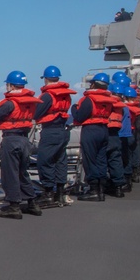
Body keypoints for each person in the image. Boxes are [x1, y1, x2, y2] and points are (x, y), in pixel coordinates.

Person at [0, 71, 43, 218]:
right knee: (22, 172)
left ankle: (14, 206)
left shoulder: (9, 103)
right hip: (25, 140)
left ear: (10, 85)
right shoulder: (31, 101)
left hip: (11, 139)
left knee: (10, 173)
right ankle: (32, 202)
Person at [34, 65, 76, 207]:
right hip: (62, 130)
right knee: (60, 161)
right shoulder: (66, 95)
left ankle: (48, 193)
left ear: (45, 79)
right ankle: (59, 192)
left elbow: (36, 113)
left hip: (50, 131)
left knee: (45, 161)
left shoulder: (47, 96)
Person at [71, 73, 115, 201]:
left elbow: (79, 116)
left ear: (94, 84)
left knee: (90, 160)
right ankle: (101, 189)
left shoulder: (89, 99)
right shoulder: (109, 100)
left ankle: (93, 189)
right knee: (101, 159)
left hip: (91, 130)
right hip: (104, 130)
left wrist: (74, 108)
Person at [105, 81, 128, 198]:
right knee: (116, 161)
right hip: (116, 136)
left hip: (105, 133)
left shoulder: (107, 103)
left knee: (101, 160)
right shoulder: (122, 107)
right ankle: (118, 188)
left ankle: (100, 186)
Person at [126, 86, 140, 183]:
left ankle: (131, 172)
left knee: (129, 152)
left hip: (129, 131)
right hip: (135, 129)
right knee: (136, 148)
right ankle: (135, 169)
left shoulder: (137, 105)